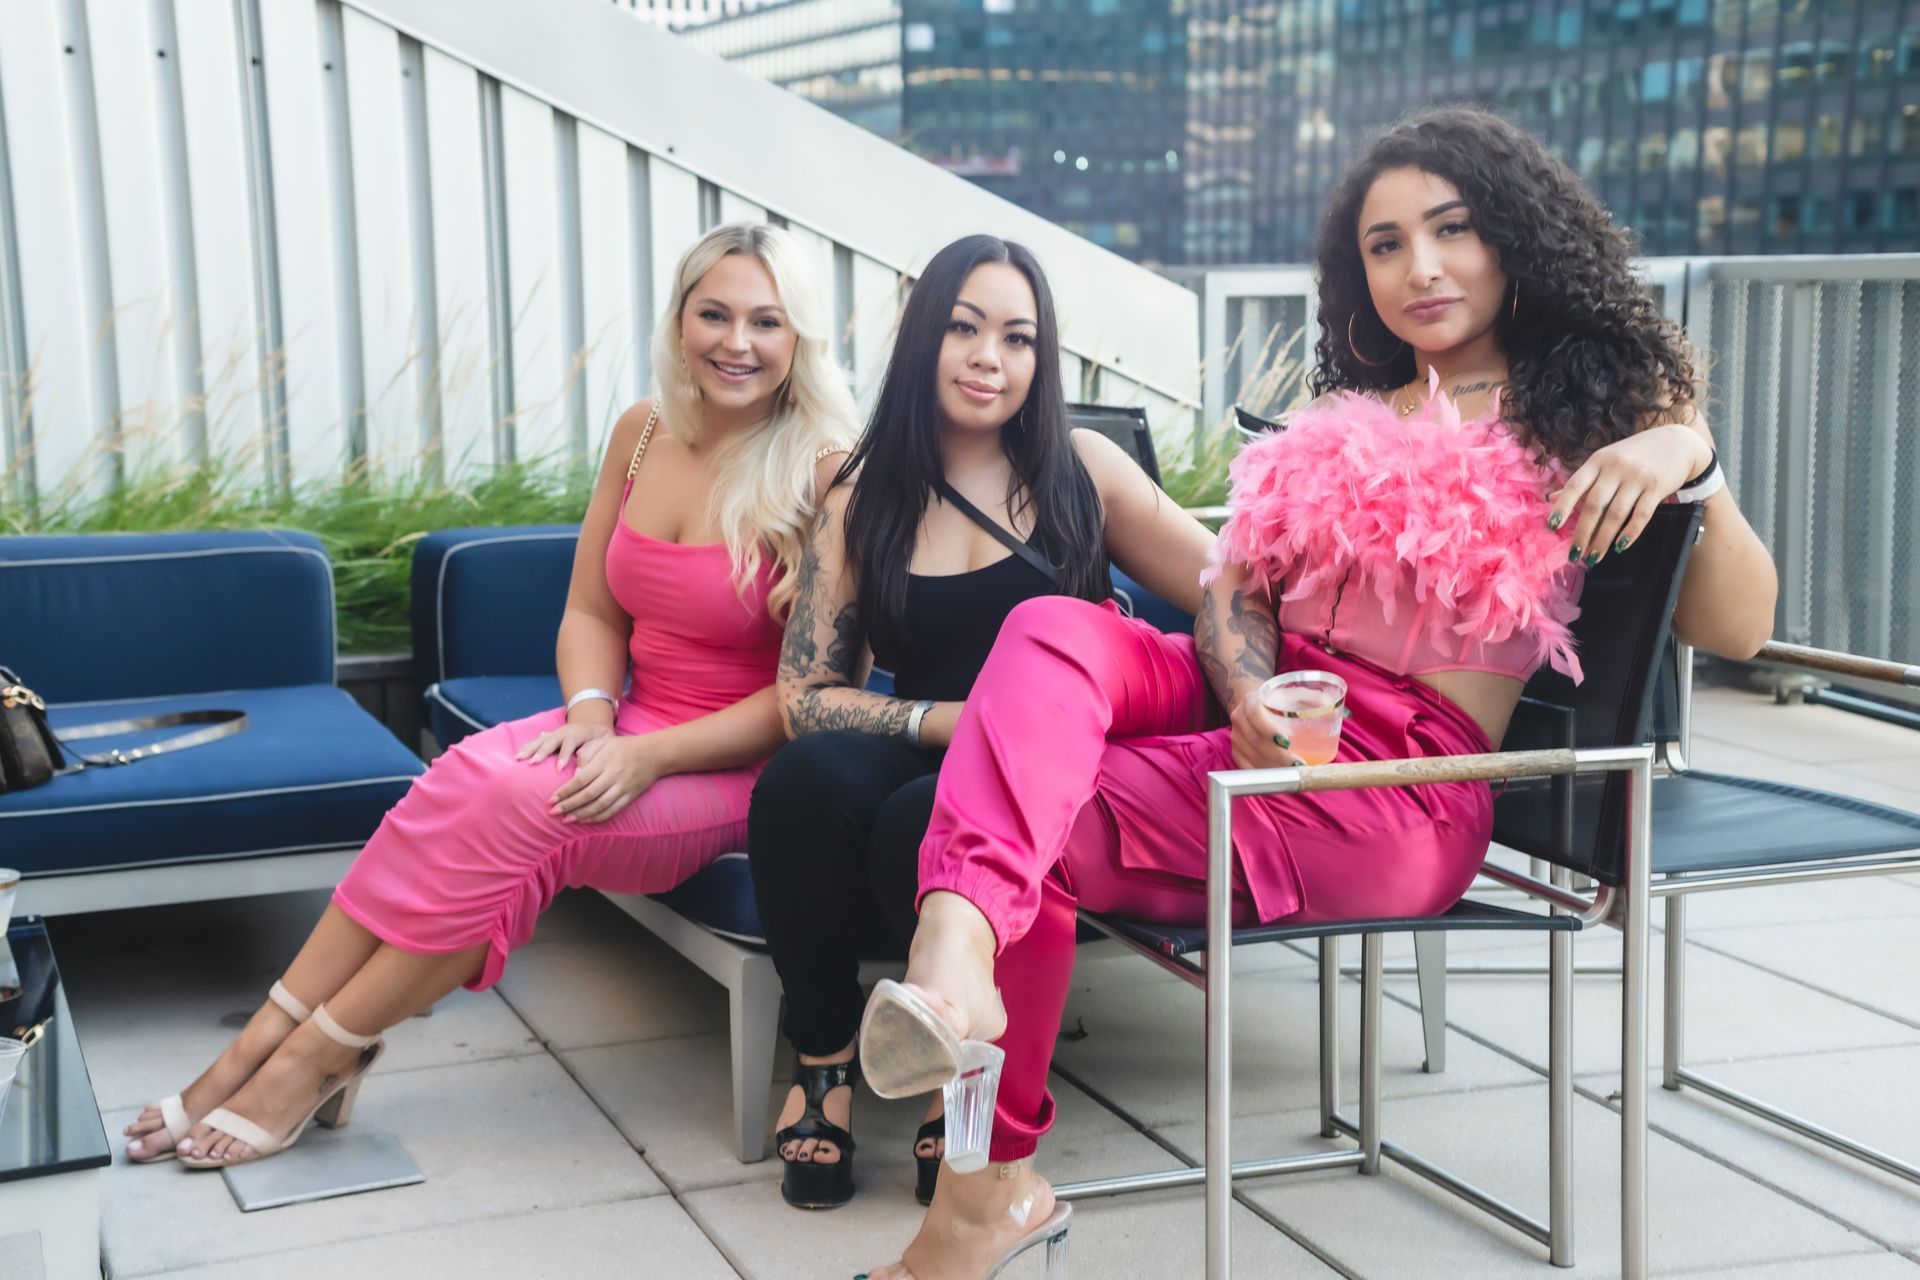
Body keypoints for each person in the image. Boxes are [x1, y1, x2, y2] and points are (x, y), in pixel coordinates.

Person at [853, 106, 1779, 1279]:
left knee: (1032, 823)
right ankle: (954, 958)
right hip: (1262, 709)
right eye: (1386, 244)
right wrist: (1245, 686)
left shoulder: (1595, 415)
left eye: (1452, 229)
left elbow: (1738, 627)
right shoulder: (1344, 422)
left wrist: (1691, 454)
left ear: (1518, 240)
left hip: (1400, 781)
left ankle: (977, 1199)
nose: (1420, 266)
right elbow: (1234, 591)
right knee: (1046, 627)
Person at [122, 222, 858, 1168]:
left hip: (740, 768)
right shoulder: (642, 432)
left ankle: (312, 1059)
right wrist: (593, 714)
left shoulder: (829, 471)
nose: (737, 342)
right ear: (680, 321)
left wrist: (646, 755)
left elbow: (814, 695)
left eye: (767, 321)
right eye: (714, 314)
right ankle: (258, 1047)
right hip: (624, 722)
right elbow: (591, 609)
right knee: (459, 778)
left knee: (522, 809)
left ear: (801, 336)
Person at [746, 234, 1214, 1212]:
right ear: (925, 338)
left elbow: (1224, 582)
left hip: (1045, 763)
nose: (988, 357)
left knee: (924, 817)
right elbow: (805, 695)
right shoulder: (863, 496)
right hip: (930, 728)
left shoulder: (1082, 469)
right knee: (802, 783)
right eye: (964, 328)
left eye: (1017, 337)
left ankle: (953, 1078)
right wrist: (943, 719)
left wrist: (1257, 693)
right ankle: (823, 1063)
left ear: (1042, 358)